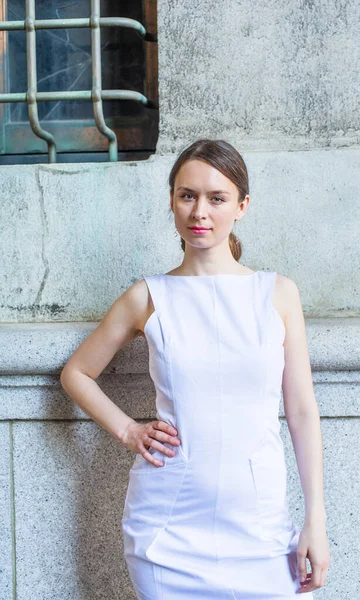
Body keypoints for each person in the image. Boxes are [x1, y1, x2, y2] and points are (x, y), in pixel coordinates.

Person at [60, 138, 330, 598]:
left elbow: (302, 411)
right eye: (187, 196)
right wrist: (128, 430)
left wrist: (316, 522)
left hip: (260, 527)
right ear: (172, 201)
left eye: (216, 198)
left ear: (242, 205)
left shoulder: (279, 294)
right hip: (168, 529)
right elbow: (76, 373)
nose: (199, 211)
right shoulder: (147, 297)